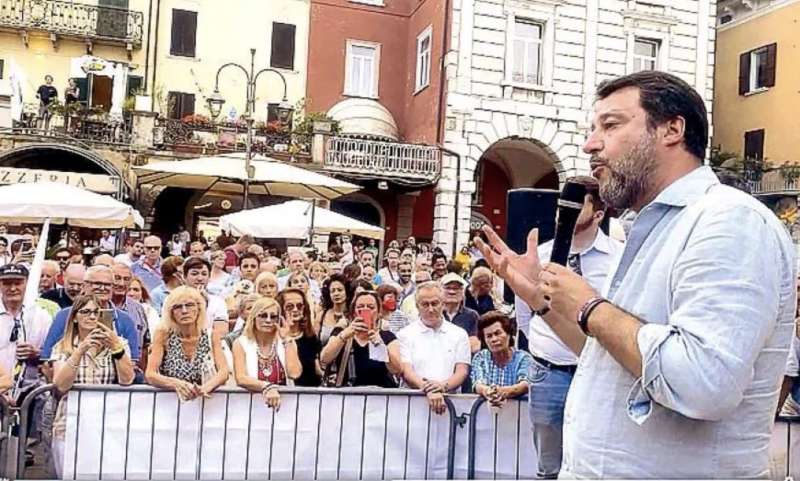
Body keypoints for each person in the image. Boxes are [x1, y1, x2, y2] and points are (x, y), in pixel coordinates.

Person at [475, 70, 796, 478]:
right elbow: (608, 356)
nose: (591, 144)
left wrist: (591, 307)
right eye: (593, 129)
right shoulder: (652, 227)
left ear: (672, 129)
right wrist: (541, 301)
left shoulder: (731, 222)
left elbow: (703, 382)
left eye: (610, 125)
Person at [511, 176, 621, 477]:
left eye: (576, 204)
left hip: (597, 372)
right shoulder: (540, 256)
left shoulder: (618, 258)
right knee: (549, 464)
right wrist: (544, 341)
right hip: (548, 372)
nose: (564, 210)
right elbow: (526, 313)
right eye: (562, 203)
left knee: (593, 458)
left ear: (598, 214)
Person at [50, 294, 134, 478]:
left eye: (97, 312)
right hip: (70, 423)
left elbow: (127, 379)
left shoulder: (119, 344)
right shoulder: (62, 346)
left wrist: (116, 348)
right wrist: (79, 351)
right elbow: (60, 384)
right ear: (74, 318)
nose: (92, 317)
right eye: (86, 312)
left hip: (108, 424)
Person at [40, 266, 141, 367]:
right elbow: (47, 359)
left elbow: (132, 361)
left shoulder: (125, 320)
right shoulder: (65, 316)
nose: (102, 288)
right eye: (97, 284)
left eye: (107, 284)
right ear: (84, 286)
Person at [398, 282, 470, 414]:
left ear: (443, 304)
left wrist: (442, 387)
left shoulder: (459, 334)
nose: (430, 309)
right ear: (417, 306)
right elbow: (406, 371)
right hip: (413, 407)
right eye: (425, 304)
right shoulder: (404, 334)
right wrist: (429, 389)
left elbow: (462, 371)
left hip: (450, 405)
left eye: (435, 303)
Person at [145, 286, 229, 400]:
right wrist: (176, 384)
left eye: (189, 305)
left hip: (208, 403)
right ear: (171, 312)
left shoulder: (211, 335)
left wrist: (204, 388)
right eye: (178, 307)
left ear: (199, 309)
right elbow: (150, 374)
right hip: (171, 403)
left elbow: (223, 372)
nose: (184, 311)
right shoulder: (163, 335)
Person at [320, 291, 402, 387]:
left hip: (381, 395)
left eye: (371, 307)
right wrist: (344, 335)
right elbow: (325, 358)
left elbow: (397, 370)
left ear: (379, 312)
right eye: (360, 307)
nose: (365, 310)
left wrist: (381, 346)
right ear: (354, 312)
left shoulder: (387, 336)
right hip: (348, 394)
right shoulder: (342, 333)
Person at [232, 298, 301, 410]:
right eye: (263, 315)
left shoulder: (287, 342)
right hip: (251, 407)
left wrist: (287, 339)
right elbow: (241, 378)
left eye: (273, 317)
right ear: (254, 318)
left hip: (284, 407)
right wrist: (267, 387)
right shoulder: (241, 343)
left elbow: (294, 374)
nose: (268, 320)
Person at [0, 264, 52, 394]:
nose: (12, 288)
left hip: (30, 392)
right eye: (7, 283)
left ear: (27, 284)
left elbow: (53, 355)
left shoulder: (42, 316)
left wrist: (36, 353)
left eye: (18, 283)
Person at [471, 311, 533, 406]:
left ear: (508, 333)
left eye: (498, 333)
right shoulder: (481, 357)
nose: (494, 339)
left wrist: (503, 392)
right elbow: (478, 384)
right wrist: (488, 392)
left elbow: (525, 384)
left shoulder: (523, 358)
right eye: (489, 336)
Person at [277, 288, 321, 387]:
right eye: (289, 307)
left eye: (299, 306)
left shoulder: (311, 337)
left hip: (310, 393)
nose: (295, 310)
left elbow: (316, 368)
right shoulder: (274, 339)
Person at [440, 273, 480, 353]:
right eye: (448, 288)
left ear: (463, 293)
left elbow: (474, 345)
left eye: (456, 288)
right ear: (440, 291)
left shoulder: (472, 316)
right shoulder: (435, 314)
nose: (452, 292)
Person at [318, 274, 351, 345]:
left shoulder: (353, 314)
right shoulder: (321, 315)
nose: (336, 293)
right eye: (332, 291)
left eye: (340, 290)